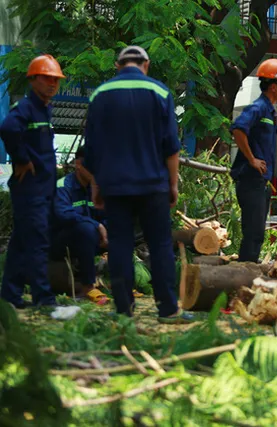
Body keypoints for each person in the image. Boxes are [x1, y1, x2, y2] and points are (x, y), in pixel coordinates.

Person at [84, 46, 192, 323]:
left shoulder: (101, 94)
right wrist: (172, 185)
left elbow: (93, 150)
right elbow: (171, 146)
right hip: (152, 185)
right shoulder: (160, 93)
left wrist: (96, 186)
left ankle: (123, 310)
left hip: (115, 186)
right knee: (159, 245)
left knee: (119, 244)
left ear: (118, 65)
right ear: (146, 64)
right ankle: (167, 309)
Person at [0, 54, 65, 309]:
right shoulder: (26, 108)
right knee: (38, 242)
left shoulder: (44, 109)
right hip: (30, 190)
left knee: (20, 242)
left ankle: (10, 296)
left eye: (56, 80)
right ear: (34, 79)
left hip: (42, 188)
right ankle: (44, 299)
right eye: (47, 79)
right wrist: (21, 159)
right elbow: (7, 128)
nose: (52, 84)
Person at [231, 58, 277, 262]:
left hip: (260, 182)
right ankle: (245, 276)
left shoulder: (269, 110)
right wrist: (252, 159)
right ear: (274, 87)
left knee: (257, 232)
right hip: (250, 180)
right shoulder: (258, 107)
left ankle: (248, 272)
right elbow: (238, 129)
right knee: (254, 233)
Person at [50, 145, 109, 305]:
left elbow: (104, 214)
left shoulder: (94, 187)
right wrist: (97, 225)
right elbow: (63, 215)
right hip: (61, 242)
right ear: (78, 164)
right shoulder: (63, 186)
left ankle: (121, 281)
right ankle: (87, 286)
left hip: (89, 239)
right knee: (86, 229)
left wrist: (106, 228)